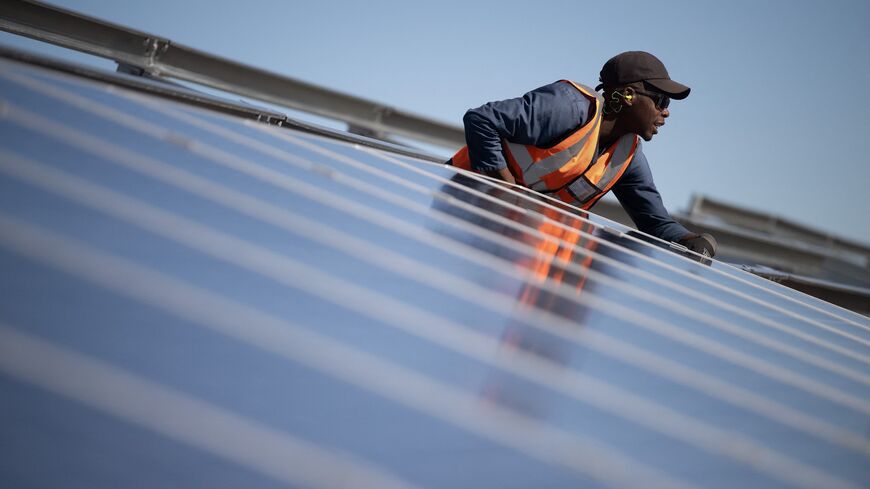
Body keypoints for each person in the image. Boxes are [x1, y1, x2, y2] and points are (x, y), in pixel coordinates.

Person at [447, 51, 717, 258]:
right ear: (628, 95)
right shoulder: (569, 107)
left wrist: (690, 240)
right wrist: (508, 194)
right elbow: (481, 120)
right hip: (460, 211)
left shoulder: (628, 155)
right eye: (661, 101)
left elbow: (654, 222)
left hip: (512, 247)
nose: (666, 111)